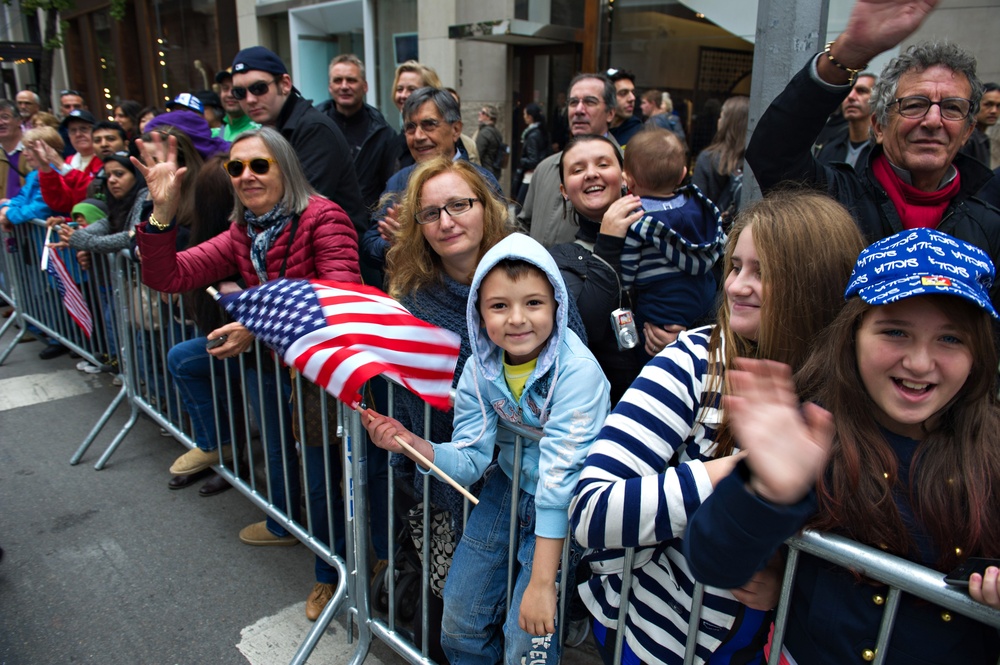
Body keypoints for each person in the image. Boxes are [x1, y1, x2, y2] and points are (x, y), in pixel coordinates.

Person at [572, 191, 866, 665]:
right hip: (655, 643)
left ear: (815, 284)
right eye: (735, 266)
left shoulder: (850, 388)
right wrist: (741, 474)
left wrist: (785, 577)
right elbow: (592, 511)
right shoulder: (694, 362)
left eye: (762, 272)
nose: (735, 287)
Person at [684, 227, 1000, 664]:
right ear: (852, 334)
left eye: (950, 339)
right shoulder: (814, 433)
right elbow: (713, 561)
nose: (920, 362)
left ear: (979, 352)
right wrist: (768, 492)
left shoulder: (993, 453)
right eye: (895, 332)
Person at [135, 126, 360, 622]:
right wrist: (162, 214)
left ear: (287, 168)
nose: (247, 176)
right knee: (281, 456)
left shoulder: (325, 217)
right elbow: (165, 275)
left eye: (260, 165)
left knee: (322, 482)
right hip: (272, 365)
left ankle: (332, 577)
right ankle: (287, 526)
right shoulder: (243, 231)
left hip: (321, 374)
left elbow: (339, 300)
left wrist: (254, 324)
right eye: (236, 167)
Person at [365, 231, 610, 664]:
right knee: (459, 619)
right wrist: (412, 444)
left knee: (526, 640)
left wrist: (540, 585)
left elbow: (559, 481)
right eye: (499, 306)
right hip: (507, 485)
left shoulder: (579, 373)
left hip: (565, 501)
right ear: (478, 312)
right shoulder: (480, 367)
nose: (517, 319)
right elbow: (471, 457)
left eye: (533, 303)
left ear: (557, 305)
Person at [745, 0, 1000, 307]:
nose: (933, 121)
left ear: (968, 133)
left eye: (952, 108)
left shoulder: (990, 227)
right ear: (878, 126)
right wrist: (848, 52)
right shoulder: (833, 199)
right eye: (915, 105)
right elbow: (772, 153)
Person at [547, 135, 670, 403]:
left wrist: (682, 332)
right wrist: (608, 243)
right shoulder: (560, 258)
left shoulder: (664, 236)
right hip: (606, 408)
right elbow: (584, 331)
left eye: (603, 164)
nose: (591, 174)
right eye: (578, 170)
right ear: (564, 190)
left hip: (670, 395)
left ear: (625, 177)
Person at [230, 45, 367, 236]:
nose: (250, 99)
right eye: (239, 92)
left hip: (335, 251)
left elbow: (300, 207)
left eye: (259, 88)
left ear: (285, 84)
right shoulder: (272, 130)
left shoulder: (314, 129)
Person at [619, 128, 725, 351]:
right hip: (705, 299)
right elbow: (721, 243)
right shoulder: (699, 205)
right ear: (682, 174)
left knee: (647, 343)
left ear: (628, 179)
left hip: (661, 304)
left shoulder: (638, 218)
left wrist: (624, 286)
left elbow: (627, 271)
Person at [518, 73, 620, 248]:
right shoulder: (545, 168)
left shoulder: (625, 171)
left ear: (610, 113)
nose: (579, 110)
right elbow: (523, 225)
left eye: (590, 102)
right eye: (573, 102)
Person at [316, 54, 398, 213]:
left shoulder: (383, 134)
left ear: (365, 86)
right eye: (338, 80)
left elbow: (389, 189)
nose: (344, 86)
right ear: (330, 87)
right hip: (321, 222)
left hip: (364, 227)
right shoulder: (314, 128)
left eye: (351, 80)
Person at [692, 95, 749, 221]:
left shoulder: (708, 158)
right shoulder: (755, 160)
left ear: (728, 122)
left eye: (721, 116)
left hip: (713, 232)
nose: (718, 120)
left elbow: (696, 207)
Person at [815, 73, 877, 168]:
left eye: (861, 91)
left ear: (878, 99)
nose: (851, 97)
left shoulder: (884, 151)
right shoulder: (829, 149)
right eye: (847, 92)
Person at [390, 61, 444, 169]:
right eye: (399, 89)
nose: (404, 95)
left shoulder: (444, 137)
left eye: (412, 89)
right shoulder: (394, 140)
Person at [212, 68, 259, 142]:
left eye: (236, 89)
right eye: (225, 88)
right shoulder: (218, 133)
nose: (230, 94)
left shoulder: (258, 132)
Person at [515, 103, 549, 206]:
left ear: (530, 117)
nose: (523, 117)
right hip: (540, 175)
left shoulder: (532, 135)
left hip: (530, 176)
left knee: (520, 208)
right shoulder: (541, 131)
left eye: (524, 114)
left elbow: (533, 160)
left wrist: (521, 161)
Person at [961, 81, 999, 166]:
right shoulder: (968, 139)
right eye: (988, 104)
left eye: (998, 106)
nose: (994, 111)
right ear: (975, 105)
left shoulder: (982, 138)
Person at [606, 68, 642, 146]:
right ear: (607, 98)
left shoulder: (640, 136)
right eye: (623, 93)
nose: (632, 98)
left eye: (633, 92)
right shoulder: (596, 130)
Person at [475, 104, 504, 181]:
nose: (479, 113)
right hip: (494, 172)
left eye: (483, 112)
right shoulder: (496, 132)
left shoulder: (485, 133)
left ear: (489, 117)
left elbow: (477, 154)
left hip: (485, 173)